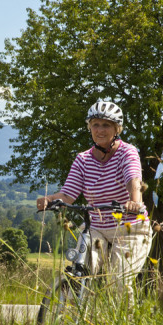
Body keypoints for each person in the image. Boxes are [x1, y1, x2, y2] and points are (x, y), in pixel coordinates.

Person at [36, 100, 151, 309]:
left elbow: (133, 180)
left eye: (106, 125)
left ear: (117, 129)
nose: (100, 130)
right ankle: (73, 317)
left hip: (129, 227)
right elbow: (68, 195)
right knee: (79, 272)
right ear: (89, 127)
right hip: (96, 227)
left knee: (118, 283)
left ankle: (126, 324)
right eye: (95, 125)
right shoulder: (83, 160)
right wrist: (49, 200)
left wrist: (135, 201)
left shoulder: (127, 152)